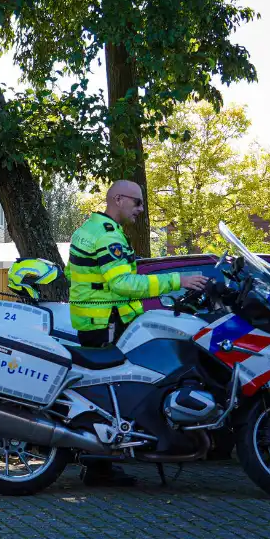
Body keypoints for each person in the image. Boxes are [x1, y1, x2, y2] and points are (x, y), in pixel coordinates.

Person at [67, 180, 209, 485]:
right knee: (106, 395)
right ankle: (98, 467)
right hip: (104, 323)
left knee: (106, 392)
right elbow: (122, 284)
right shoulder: (105, 236)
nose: (141, 210)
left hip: (99, 320)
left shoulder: (95, 230)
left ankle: (102, 463)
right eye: (137, 202)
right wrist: (178, 281)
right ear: (118, 199)